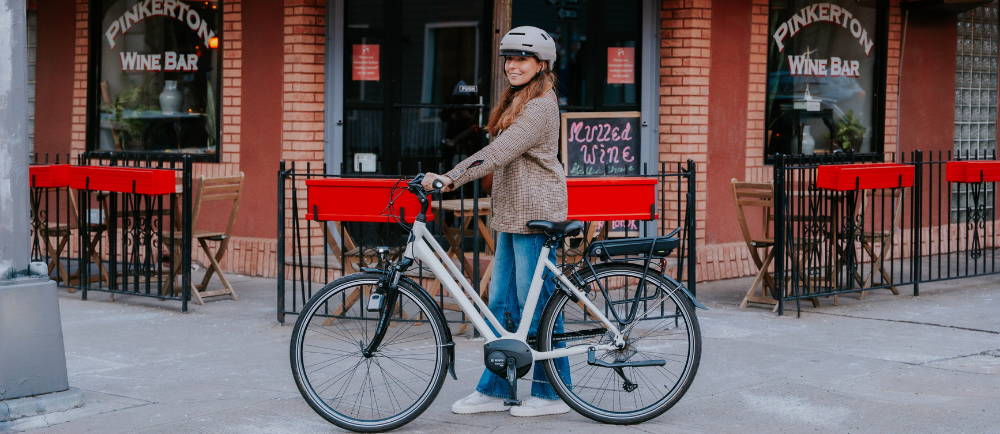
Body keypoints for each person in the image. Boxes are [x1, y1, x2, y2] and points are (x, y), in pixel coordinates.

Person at [421, 26, 572, 418]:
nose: (513, 65)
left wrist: (450, 177)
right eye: (509, 58)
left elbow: (501, 151)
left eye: (522, 58)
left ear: (542, 64)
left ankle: (552, 392)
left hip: (537, 214)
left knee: (535, 306)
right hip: (511, 213)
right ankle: (494, 388)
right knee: (501, 305)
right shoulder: (518, 99)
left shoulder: (541, 105)